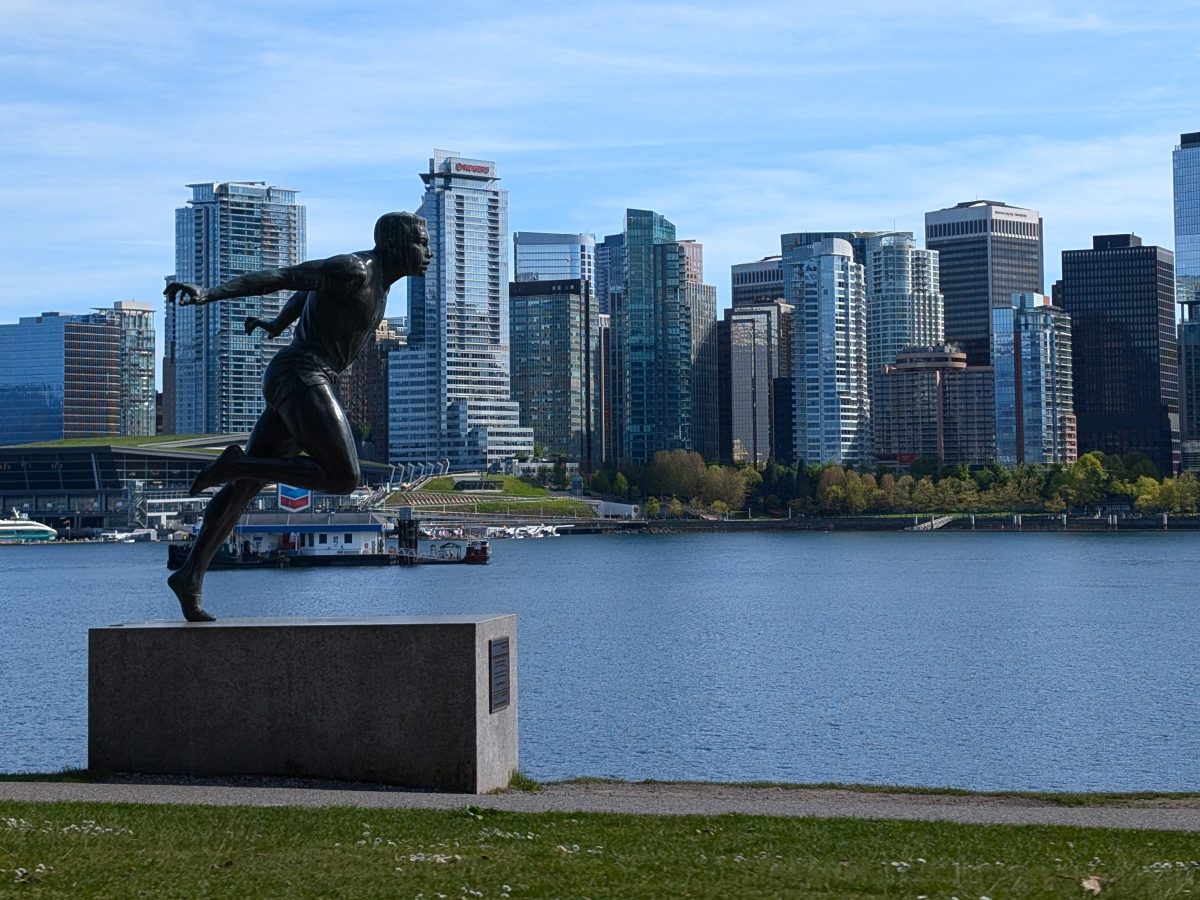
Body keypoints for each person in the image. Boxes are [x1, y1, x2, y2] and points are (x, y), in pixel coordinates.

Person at [163, 211, 431, 622]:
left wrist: (275, 324)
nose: (428, 252)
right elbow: (286, 276)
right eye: (421, 243)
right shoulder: (355, 270)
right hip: (302, 375)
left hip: (302, 377)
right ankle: (235, 464)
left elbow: (306, 296)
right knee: (344, 477)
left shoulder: (380, 284)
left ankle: (190, 576)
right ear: (395, 245)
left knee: (245, 489)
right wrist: (208, 294)